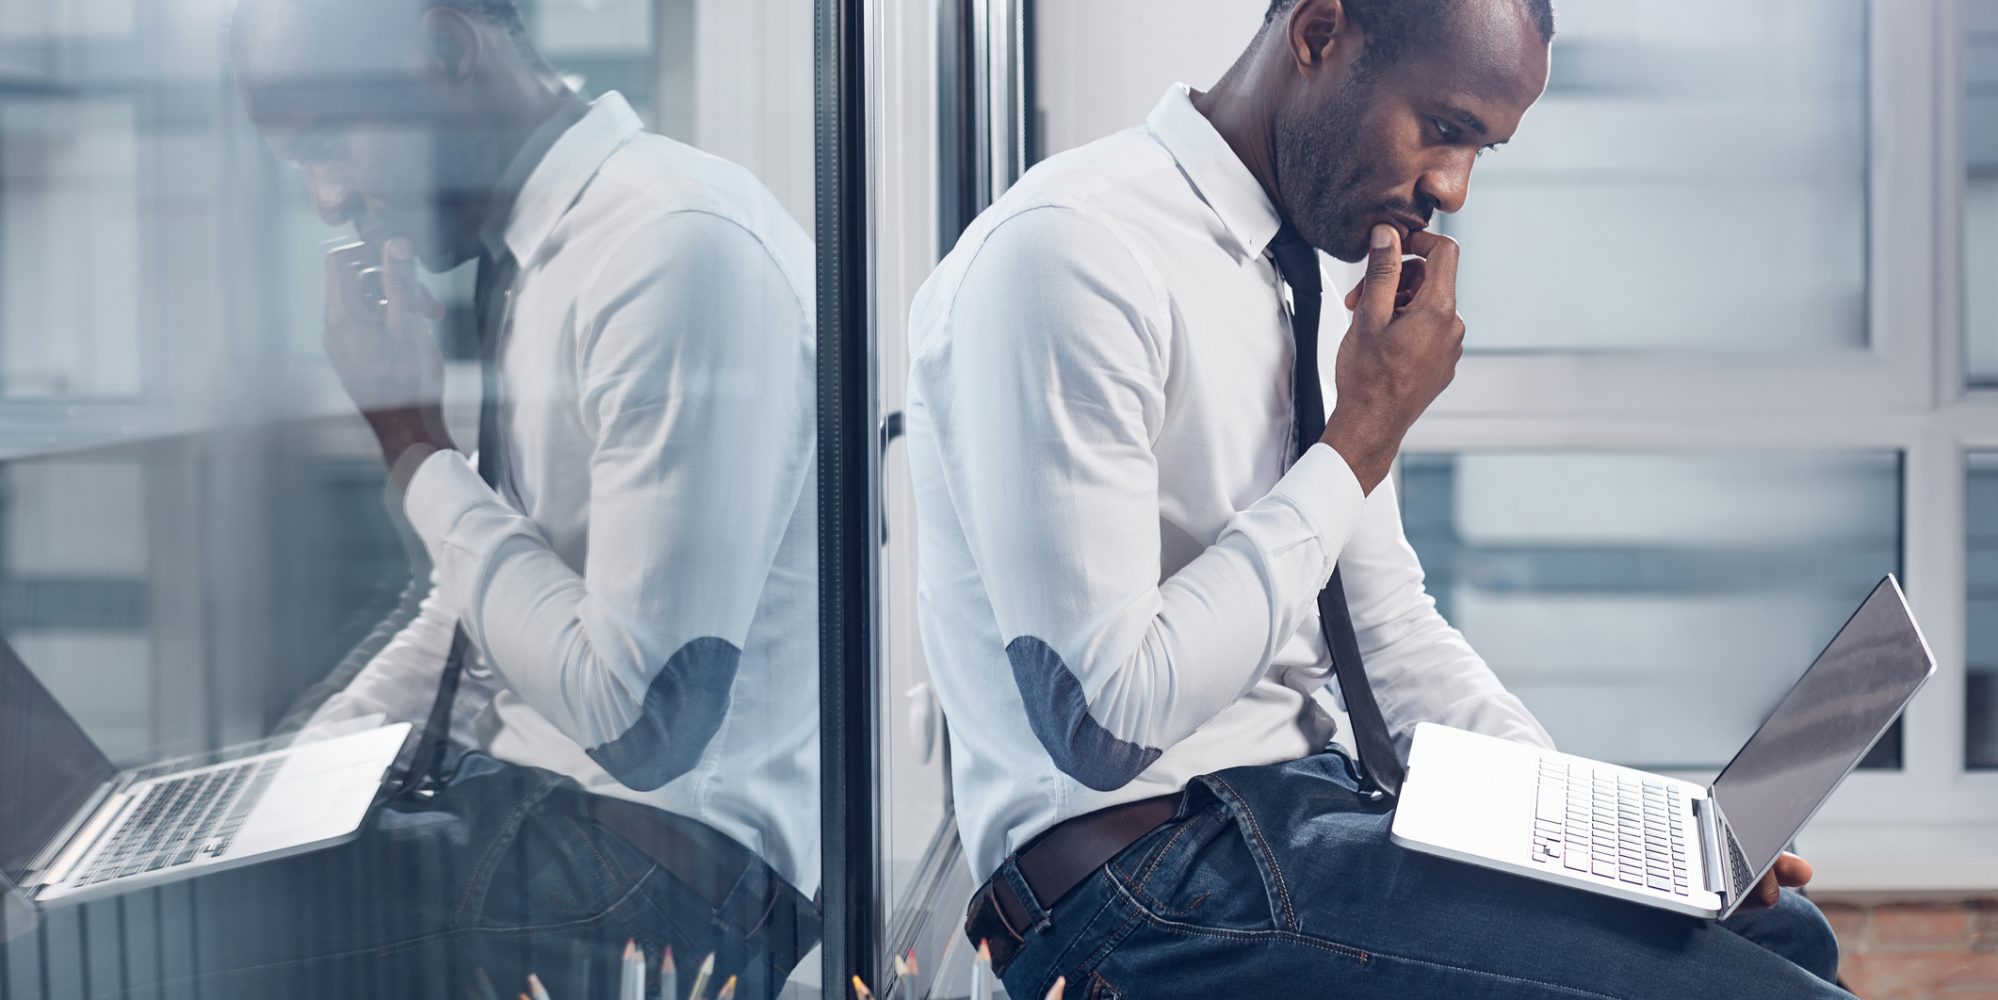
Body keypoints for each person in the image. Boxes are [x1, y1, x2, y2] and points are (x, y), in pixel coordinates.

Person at [905, 0, 1849, 996]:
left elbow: (1386, 631)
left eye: (1483, 149)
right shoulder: (1075, 253)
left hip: (1299, 811)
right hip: (1134, 878)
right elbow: (1105, 722)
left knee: (1785, 942)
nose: (1454, 187)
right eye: (1444, 128)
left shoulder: (1307, 266)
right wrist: (1360, 437)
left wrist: (1604, 839)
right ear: (1318, 36)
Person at [134, 0, 823, 995]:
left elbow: (641, 721)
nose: (328, 201)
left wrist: (414, 446)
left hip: (666, 870)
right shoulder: (542, 257)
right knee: (179, 892)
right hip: (551, 816)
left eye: (332, 144)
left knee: (168, 943)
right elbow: (475, 615)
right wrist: (281, 780)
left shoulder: (672, 250)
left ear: (449, 50)